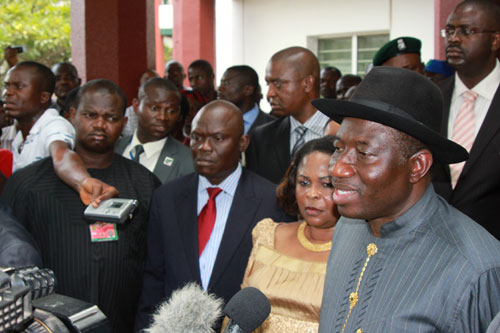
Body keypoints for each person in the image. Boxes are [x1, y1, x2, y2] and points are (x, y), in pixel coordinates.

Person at [313, 66, 500, 332]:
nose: (337, 168)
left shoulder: (477, 270)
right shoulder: (347, 226)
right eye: (338, 149)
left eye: (364, 153)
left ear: (417, 166)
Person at [1, 79, 161, 332]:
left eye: (111, 117)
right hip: (47, 324)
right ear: (72, 115)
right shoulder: (27, 184)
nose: (100, 124)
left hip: (123, 321)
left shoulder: (144, 183)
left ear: (123, 123)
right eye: (90, 115)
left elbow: (156, 262)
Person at [135, 100, 290, 331]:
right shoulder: (166, 198)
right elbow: (154, 277)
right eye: (197, 137)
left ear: (242, 143)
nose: (204, 147)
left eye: (218, 139)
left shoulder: (271, 202)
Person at [241, 137, 339, 332]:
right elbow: (241, 314)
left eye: (326, 184)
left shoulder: (363, 253)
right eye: (304, 182)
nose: (312, 194)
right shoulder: (267, 235)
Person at [2, 61, 116, 205]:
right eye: (6, 86)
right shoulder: (20, 137)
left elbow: (62, 155)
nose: (8, 92)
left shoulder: (54, 125)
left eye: (19, 87)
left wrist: (83, 181)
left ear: (43, 97)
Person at [432, 0, 500, 240]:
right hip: (434, 244)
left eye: (466, 31)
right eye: (449, 31)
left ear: (495, 40)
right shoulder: (431, 98)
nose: (453, 39)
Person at [246, 46, 330, 184]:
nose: (270, 94)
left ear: (307, 83)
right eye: (268, 84)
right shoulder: (262, 138)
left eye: (278, 84)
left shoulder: (343, 134)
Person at [115, 77, 194, 183]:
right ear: (136, 106)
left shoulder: (187, 160)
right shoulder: (114, 148)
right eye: (155, 108)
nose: (163, 117)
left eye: (171, 110)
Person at [218, 65, 274, 135]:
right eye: (221, 83)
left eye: (226, 83)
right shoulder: (215, 122)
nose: (219, 88)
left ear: (248, 90)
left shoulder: (274, 126)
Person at [122, 69, 160, 137]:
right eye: (147, 82)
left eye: (155, 83)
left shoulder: (163, 114)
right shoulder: (127, 114)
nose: (151, 88)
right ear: (139, 88)